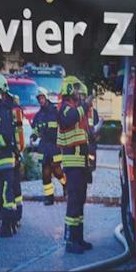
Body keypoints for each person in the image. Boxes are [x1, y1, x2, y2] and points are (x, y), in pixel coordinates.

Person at [56, 74, 95, 253]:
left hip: (81, 163)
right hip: (72, 165)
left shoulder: (76, 108)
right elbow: (70, 118)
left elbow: (84, 134)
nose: (80, 95)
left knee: (80, 201)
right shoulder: (64, 108)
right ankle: (70, 242)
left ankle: (78, 239)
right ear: (70, 89)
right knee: (73, 202)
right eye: (77, 91)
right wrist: (85, 104)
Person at [0, 74, 24, 238]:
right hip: (10, 157)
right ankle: (13, 221)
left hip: (5, 157)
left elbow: (5, 136)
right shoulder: (7, 108)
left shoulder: (4, 111)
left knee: (6, 193)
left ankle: (7, 226)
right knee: (11, 191)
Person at [30, 89, 61, 203]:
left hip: (55, 145)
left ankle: (66, 185)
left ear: (46, 97)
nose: (40, 100)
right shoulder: (38, 115)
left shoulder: (55, 111)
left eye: (42, 98)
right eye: (39, 99)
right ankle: (49, 197)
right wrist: (33, 136)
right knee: (45, 173)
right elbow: (36, 130)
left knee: (57, 171)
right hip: (44, 147)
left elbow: (62, 126)